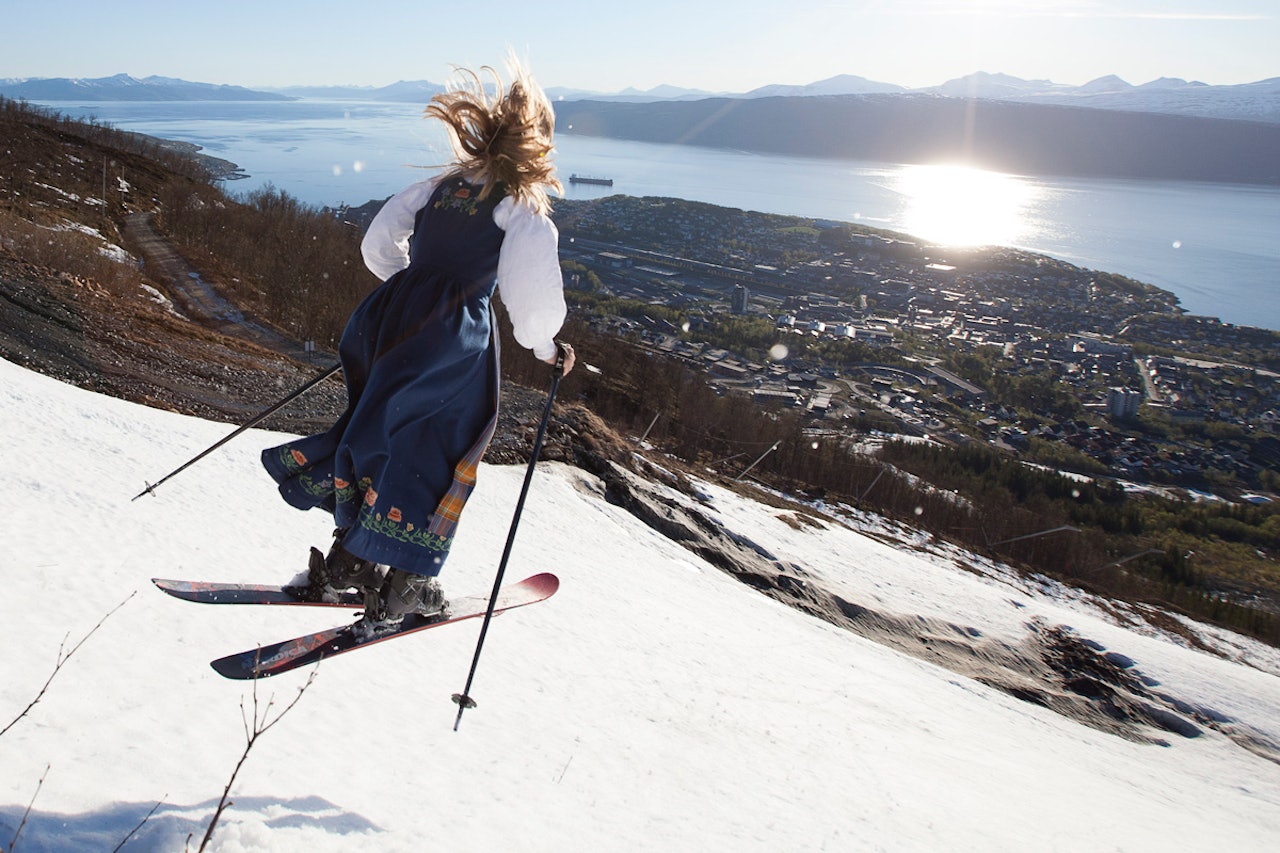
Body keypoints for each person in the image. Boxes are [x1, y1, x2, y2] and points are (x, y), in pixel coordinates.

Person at [261, 59, 575, 627]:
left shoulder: (440, 185)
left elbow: (379, 244)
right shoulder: (521, 210)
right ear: (536, 147)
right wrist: (550, 351)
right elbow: (531, 305)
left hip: (387, 324)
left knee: (381, 431)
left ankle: (350, 563)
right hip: (454, 340)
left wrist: (410, 292)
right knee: (439, 450)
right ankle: (408, 585)